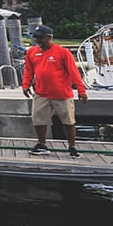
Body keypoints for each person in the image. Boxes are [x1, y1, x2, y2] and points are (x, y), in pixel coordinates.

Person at [22, 23, 87, 157]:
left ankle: (72, 147)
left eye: (40, 37)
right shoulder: (32, 52)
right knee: (38, 119)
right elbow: (28, 70)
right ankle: (42, 144)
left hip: (62, 94)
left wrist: (81, 90)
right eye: (35, 37)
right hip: (41, 93)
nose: (37, 40)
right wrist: (25, 85)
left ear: (49, 37)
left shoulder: (63, 52)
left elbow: (74, 72)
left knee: (68, 121)